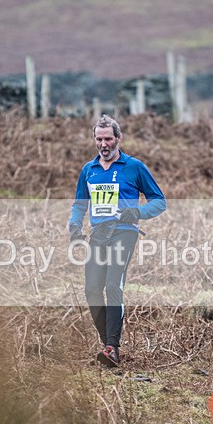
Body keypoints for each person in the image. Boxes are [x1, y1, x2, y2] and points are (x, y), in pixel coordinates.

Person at [69, 115, 166, 367]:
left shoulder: (134, 167)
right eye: (99, 139)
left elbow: (159, 201)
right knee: (91, 290)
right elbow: (79, 205)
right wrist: (74, 225)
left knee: (113, 284)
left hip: (124, 232)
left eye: (108, 139)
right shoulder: (88, 170)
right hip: (98, 234)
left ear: (118, 139)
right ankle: (107, 345)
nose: (103, 144)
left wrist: (138, 212)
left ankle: (113, 346)